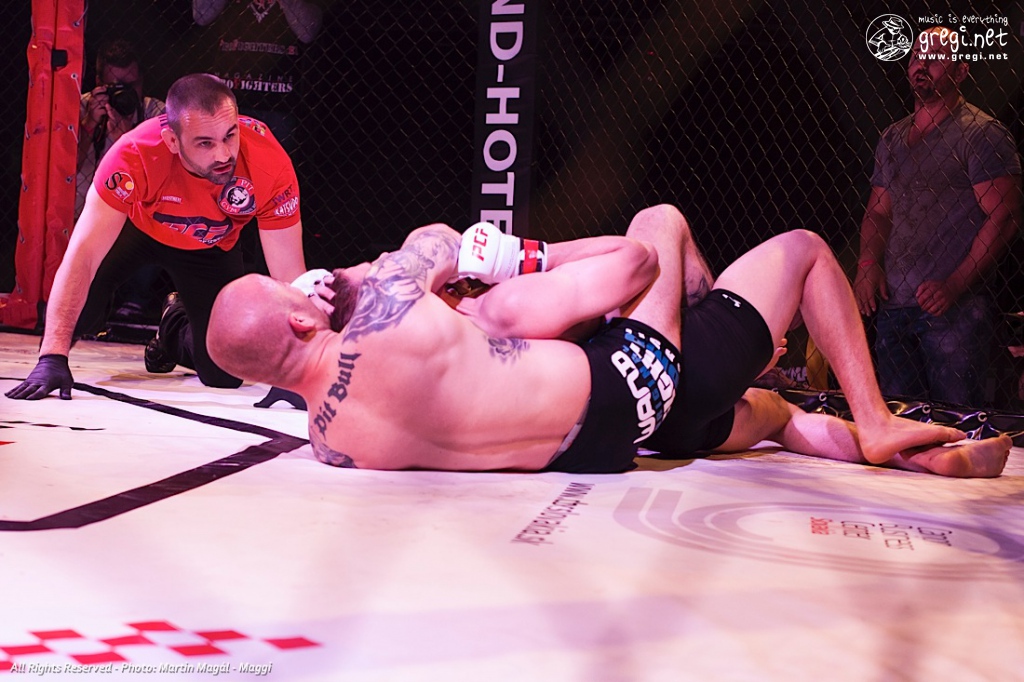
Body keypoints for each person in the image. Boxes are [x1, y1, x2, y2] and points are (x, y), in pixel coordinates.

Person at [206, 205, 1010, 477]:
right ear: (302, 319)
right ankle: (875, 420)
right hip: (632, 384)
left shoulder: (330, 441)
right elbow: (433, 242)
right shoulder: (406, 306)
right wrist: (514, 256)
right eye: (296, 293)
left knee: (770, 415)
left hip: (598, 448)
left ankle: (916, 457)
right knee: (691, 230)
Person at [5, 73, 309, 401]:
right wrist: (52, 357)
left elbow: (291, 276)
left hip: (211, 245)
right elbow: (83, 255)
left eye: (229, 135)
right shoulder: (133, 154)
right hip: (138, 230)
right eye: (205, 143)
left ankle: (172, 326)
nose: (223, 154)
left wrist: (298, 373)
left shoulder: (268, 162)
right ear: (172, 141)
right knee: (79, 318)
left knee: (223, 373)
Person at [855, 27, 1022, 407]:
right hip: (895, 306)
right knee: (900, 421)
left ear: (961, 71)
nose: (922, 64)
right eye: (916, 56)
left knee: (957, 421)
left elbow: (1006, 215)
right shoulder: (892, 138)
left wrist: (954, 284)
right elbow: (878, 211)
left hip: (955, 310)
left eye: (935, 57)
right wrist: (867, 264)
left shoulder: (981, 134)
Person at [77, 38, 169, 324]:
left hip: (135, 211)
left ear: (142, 81)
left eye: (131, 86)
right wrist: (89, 126)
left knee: (162, 214)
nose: (124, 94)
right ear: (99, 84)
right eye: (115, 87)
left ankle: (134, 300)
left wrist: (128, 140)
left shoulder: (156, 113)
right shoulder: (81, 106)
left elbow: (164, 177)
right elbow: (64, 167)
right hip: (83, 208)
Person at [191, 0, 324, 154]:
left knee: (272, 165)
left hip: (277, 99)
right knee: (223, 162)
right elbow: (201, 15)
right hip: (228, 99)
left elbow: (308, 32)